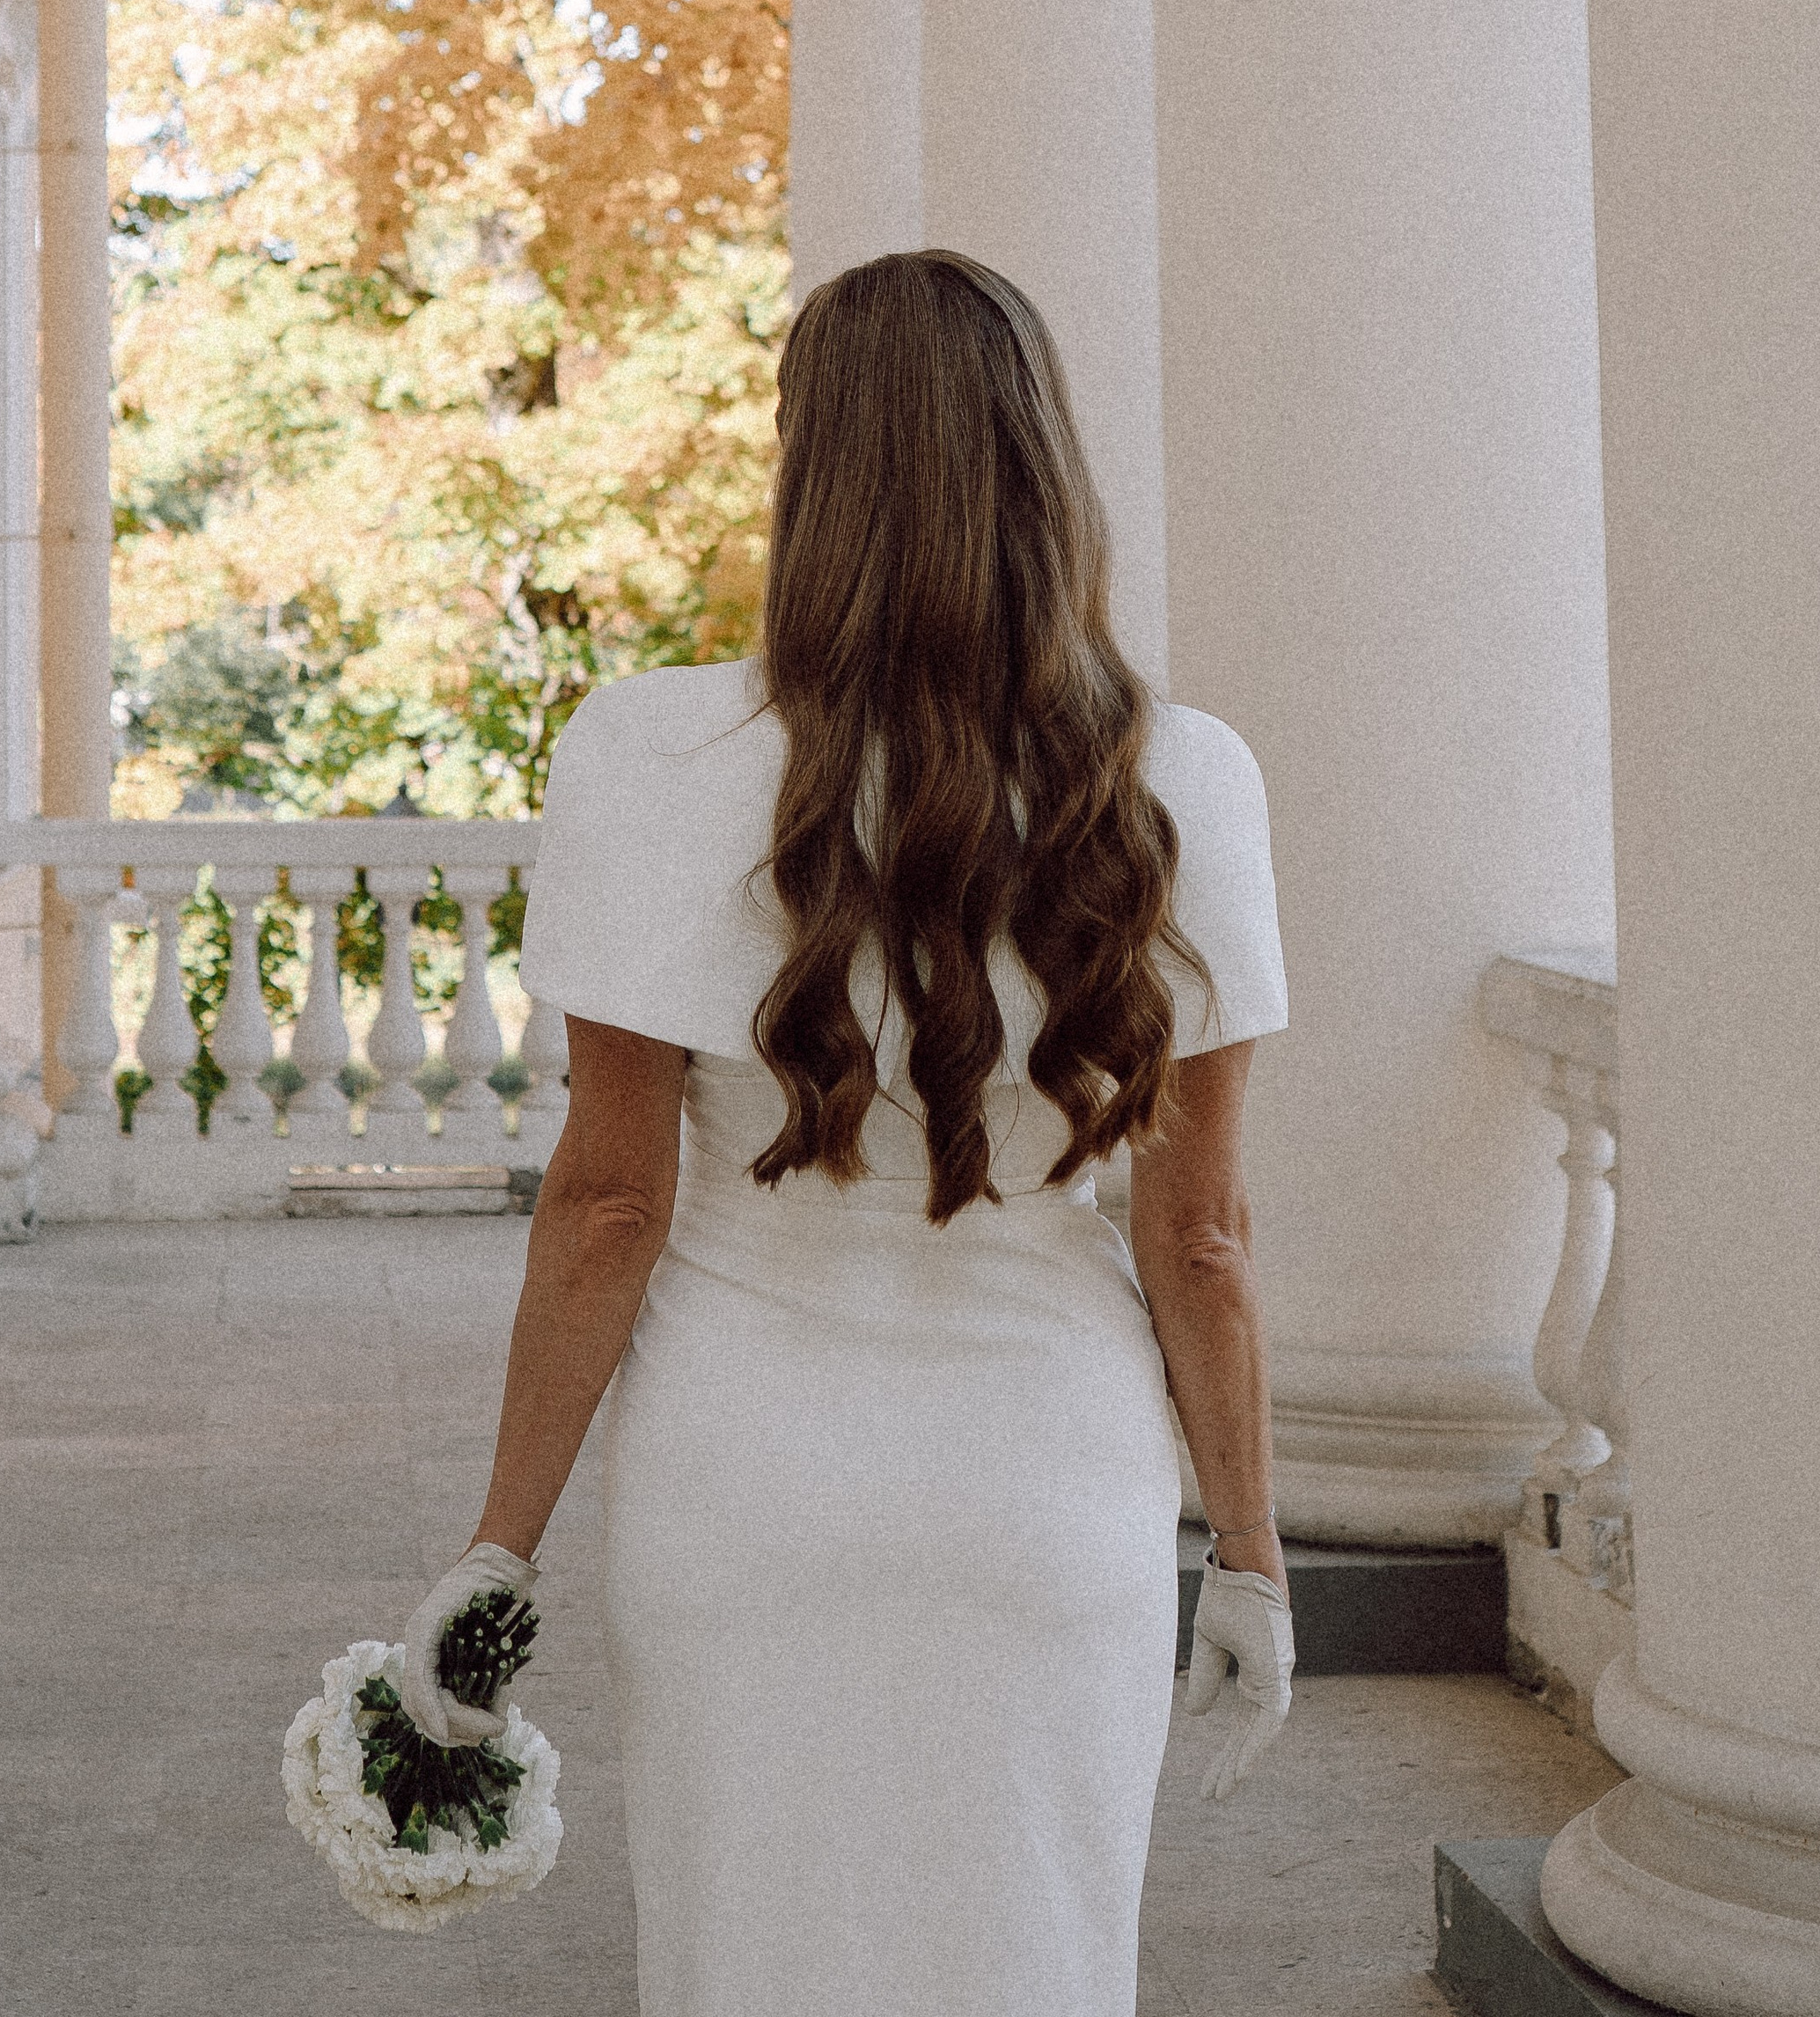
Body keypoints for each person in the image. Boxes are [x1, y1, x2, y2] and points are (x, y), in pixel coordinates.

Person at [400, 250, 1294, 2016]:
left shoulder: (647, 752)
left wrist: (497, 1551)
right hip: (1049, 1498)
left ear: (806, 465)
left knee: (748, 1958)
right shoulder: (1181, 777)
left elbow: (606, 1205)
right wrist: (1253, 1556)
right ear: (1047, 464)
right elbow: (1198, 1239)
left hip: (742, 1492)